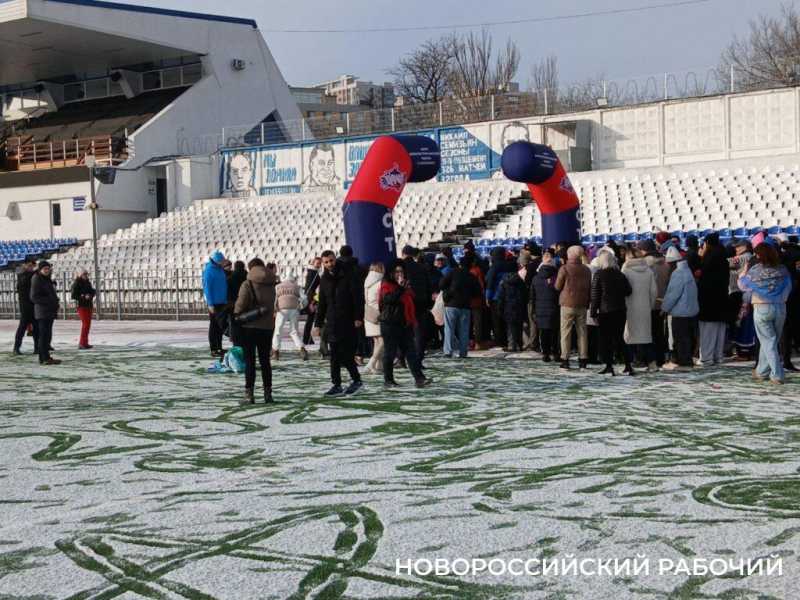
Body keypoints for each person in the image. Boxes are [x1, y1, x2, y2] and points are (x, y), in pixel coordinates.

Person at [739, 243, 793, 384]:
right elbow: (788, 287)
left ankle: (777, 374)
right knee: (770, 341)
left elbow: (743, 285)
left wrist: (744, 271)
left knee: (768, 341)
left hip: (762, 308)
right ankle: (761, 371)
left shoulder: (755, 270)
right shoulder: (782, 270)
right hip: (780, 307)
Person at [314, 249, 364, 396]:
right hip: (332, 322)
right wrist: (317, 323)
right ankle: (337, 384)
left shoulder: (348, 275)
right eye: (326, 262)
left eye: (331, 260)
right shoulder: (324, 279)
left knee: (345, 354)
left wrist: (358, 317)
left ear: (336, 259)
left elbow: (357, 298)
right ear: (323, 263)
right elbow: (322, 303)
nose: (330, 264)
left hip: (348, 320)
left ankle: (356, 380)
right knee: (335, 354)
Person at [379, 260, 432, 388]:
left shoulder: (405, 286)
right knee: (389, 353)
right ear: (391, 273)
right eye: (396, 271)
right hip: (390, 324)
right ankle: (388, 380)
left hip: (405, 323)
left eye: (401, 271)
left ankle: (419, 378)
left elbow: (411, 300)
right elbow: (388, 300)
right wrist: (401, 288)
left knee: (411, 352)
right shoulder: (386, 284)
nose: (399, 274)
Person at [234, 258, 277, 403]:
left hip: (250, 327)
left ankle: (249, 394)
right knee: (265, 361)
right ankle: (268, 393)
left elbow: (240, 306)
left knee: (250, 361)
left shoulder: (248, 284)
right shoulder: (271, 283)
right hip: (267, 327)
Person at [591, 251, 633, 376]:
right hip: (620, 310)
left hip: (605, 311)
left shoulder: (599, 274)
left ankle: (609, 365)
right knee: (620, 338)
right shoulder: (620, 274)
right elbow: (628, 291)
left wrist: (593, 312)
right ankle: (628, 365)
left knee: (605, 340)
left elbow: (595, 295)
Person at [661, 246, 699, 370]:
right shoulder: (687, 271)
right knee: (687, 337)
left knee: (680, 338)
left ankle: (684, 362)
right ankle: (685, 360)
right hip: (690, 311)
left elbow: (673, 294)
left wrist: (664, 308)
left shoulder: (678, 274)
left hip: (680, 312)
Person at [555, 245, 592, 369]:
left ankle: (565, 358)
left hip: (567, 304)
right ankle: (583, 358)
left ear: (569, 255)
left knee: (566, 332)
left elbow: (557, 286)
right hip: (582, 303)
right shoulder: (586, 270)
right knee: (582, 332)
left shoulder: (564, 268)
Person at [621, 248, 658, 371]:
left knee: (630, 335)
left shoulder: (625, 270)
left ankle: (631, 362)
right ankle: (652, 362)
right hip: (644, 307)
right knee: (646, 336)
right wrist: (650, 305)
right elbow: (653, 291)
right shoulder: (648, 271)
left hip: (629, 307)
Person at [697, 232, 730, 366]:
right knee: (719, 329)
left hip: (708, 300)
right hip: (721, 299)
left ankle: (706, 357)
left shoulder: (709, 258)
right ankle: (718, 356)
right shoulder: (723, 257)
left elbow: (703, 277)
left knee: (707, 330)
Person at [439, 257, 481, 358]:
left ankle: (448, 351)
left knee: (449, 329)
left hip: (451, 305)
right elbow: (477, 292)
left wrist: (448, 292)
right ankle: (463, 352)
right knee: (464, 330)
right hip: (465, 306)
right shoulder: (471, 276)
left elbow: (441, 284)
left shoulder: (453, 272)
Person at [401, 245, 432, 367]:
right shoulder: (421, 267)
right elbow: (428, 286)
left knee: (403, 332)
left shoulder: (400, 268)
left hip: (405, 303)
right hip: (421, 303)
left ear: (403, 254)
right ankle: (418, 360)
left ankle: (402, 359)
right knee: (420, 333)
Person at [642, 240, 670, 366]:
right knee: (660, 332)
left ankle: (650, 358)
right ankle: (661, 358)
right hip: (663, 302)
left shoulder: (646, 263)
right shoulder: (665, 263)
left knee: (649, 332)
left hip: (650, 302)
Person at [30, 261, 61, 366]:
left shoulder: (47, 279)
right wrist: (49, 301)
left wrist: (55, 301)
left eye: (48, 269)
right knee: (43, 335)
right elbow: (34, 297)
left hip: (49, 311)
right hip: (42, 311)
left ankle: (46, 357)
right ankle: (42, 358)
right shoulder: (37, 279)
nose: (47, 271)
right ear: (40, 269)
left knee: (47, 335)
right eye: (45, 269)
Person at [530, 255, 560, 362]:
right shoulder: (556, 277)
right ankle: (556, 353)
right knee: (555, 333)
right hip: (554, 308)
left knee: (544, 332)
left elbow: (532, 296)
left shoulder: (535, 278)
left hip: (540, 309)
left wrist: (533, 310)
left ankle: (545, 354)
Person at [272, 274, 308, 361]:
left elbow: (274, 299)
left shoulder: (278, 286)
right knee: (294, 331)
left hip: (281, 310)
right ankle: (301, 349)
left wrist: (274, 309)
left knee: (278, 330)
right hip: (294, 310)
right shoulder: (297, 287)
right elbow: (304, 299)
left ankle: (275, 351)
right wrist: (301, 307)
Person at [496, 263, 528, 352]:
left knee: (510, 327)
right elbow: (525, 295)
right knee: (519, 326)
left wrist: (500, 309)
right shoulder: (521, 281)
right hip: (519, 306)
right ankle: (519, 344)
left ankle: (511, 345)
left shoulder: (504, 282)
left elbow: (501, 297)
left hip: (508, 307)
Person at [202, 250, 228, 357]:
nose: (223, 262)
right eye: (221, 261)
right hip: (214, 303)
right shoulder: (208, 271)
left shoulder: (220, 270)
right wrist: (210, 304)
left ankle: (219, 347)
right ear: (216, 261)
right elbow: (207, 289)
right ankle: (214, 348)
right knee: (214, 326)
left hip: (222, 302)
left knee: (219, 327)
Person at [13, 259, 39, 356]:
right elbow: (25, 281)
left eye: (32, 266)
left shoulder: (31, 275)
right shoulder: (22, 275)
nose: (31, 267)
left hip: (33, 305)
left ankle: (37, 347)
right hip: (25, 306)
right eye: (29, 265)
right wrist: (35, 272)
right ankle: (16, 347)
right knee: (22, 328)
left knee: (36, 328)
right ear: (24, 265)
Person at [364, 262, 384, 374]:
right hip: (378, 314)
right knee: (382, 341)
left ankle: (377, 366)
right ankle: (371, 363)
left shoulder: (367, 282)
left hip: (368, 313)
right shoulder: (380, 282)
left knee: (376, 341)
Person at [70, 270, 95, 350]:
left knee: (87, 325)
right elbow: (73, 295)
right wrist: (83, 296)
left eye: (86, 274)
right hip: (81, 305)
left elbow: (92, 291)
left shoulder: (88, 282)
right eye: (84, 274)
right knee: (85, 325)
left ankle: (85, 342)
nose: (85, 275)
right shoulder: (77, 283)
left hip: (88, 305)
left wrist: (90, 295)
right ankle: (82, 343)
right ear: (80, 275)